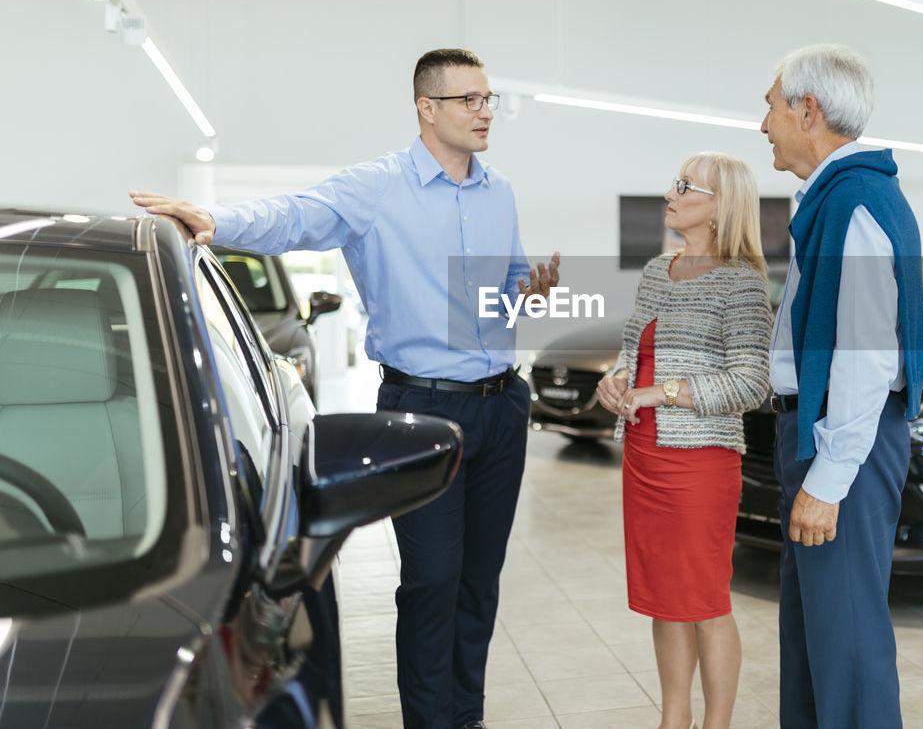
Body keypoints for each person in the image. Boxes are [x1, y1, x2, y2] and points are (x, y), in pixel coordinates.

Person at [131, 48, 559, 729]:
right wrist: (217, 223)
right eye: (469, 100)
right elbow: (297, 214)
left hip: (502, 404)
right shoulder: (379, 186)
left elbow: (500, 293)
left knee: (478, 582)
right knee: (431, 583)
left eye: (489, 100)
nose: (485, 112)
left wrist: (529, 294)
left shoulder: (498, 190)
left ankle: (466, 715)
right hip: (423, 408)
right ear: (427, 108)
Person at [759, 44, 923, 728]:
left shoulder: (855, 203)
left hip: (841, 440)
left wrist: (829, 477)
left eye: (769, 106)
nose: (762, 123)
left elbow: (864, 353)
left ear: (808, 110)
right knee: (814, 639)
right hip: (821, 433)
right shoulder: (834, 199)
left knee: (848, 647)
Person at [595, 152, 771, 729]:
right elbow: (634, 349)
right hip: (644, 457)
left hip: (700, 464)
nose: (669, 194)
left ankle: (715, 725)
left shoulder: (742, 283)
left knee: (704, 602)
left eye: (684, 186)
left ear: (720, 208)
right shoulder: (656, 270)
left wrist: (663, 391)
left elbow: (751, 381)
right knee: (665, 599)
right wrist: (616, 380)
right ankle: (675, 720)